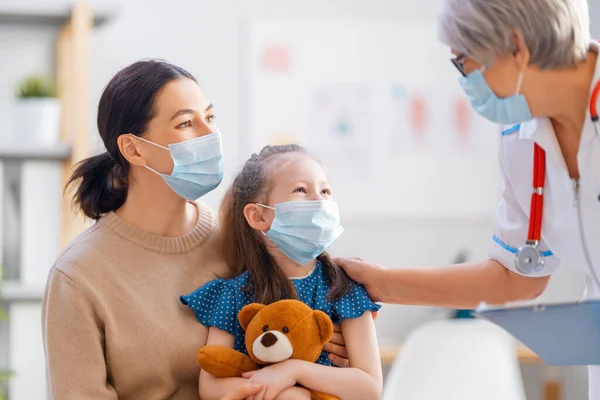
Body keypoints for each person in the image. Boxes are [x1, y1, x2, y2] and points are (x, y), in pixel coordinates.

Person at [335, 0, 600, 398]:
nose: (464, 80)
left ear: (516, 47)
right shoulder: (521, 140)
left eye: (463, 62)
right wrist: (382, 284)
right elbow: (516, 277)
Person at [41, 59, 348, 399]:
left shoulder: (239, 237)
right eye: (186, 123)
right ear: (133, 149)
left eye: (210, 117)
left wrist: (337, 339)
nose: (210, 134)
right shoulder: (78, 277)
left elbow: (295, 323)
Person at [181, 144, 383, 400]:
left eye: (325, 190)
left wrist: (294, 371)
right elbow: (210, 387)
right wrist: (279, 393)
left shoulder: (344, 288)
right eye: (301, 190)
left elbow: (369, 387)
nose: (319, 200)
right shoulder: (233, 294)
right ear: (258, 216)